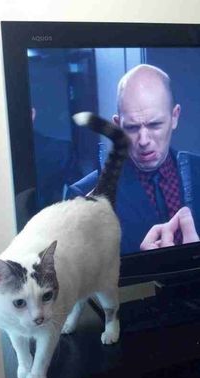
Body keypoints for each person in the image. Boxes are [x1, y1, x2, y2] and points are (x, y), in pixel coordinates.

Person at [66, 64, 200, 254]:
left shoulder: (198, 173)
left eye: (154, 125)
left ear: (175, 116)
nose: (144, 141)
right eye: (132, 128)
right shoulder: (83, 196)